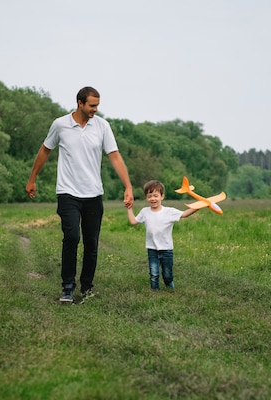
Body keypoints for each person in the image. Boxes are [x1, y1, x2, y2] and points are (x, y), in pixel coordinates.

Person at [26, 86, 133, 303]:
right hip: (68, 193)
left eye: (97, 105)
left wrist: (128, 186)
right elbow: (45, 149)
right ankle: (67, 287)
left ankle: (86, 287)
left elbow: (115, 157)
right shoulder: (60, 125)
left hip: (93, 194)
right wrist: (32, 178)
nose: (95, 109)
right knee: (72, 236)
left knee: (91, 243)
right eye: (92, 105)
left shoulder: (102, 126)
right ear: (80, 103)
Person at [127, 180, 197, 290]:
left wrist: (198, 206)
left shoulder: (169, 212)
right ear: (146, 198)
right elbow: (133, 221)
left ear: (162, 196)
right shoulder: (145, 212)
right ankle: (155, 292)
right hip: (152, 249)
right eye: (149, 196)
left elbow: (184, 214)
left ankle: (170, 287)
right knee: (154, 274)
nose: (153, 199)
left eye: (155, 195)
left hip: (167, 249)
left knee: (167, 274)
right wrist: (129, 208)